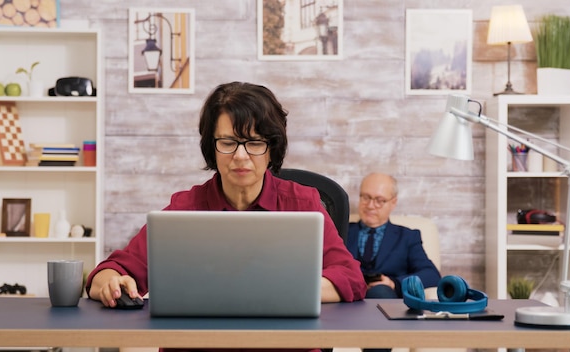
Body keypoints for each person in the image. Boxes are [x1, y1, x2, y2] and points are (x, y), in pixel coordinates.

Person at [86, 82, 366, 315]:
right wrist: (111, 283)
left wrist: (287, 291)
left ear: (272, 148)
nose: (240, 156)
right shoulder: (184, 209)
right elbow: (108, 272)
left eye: (254, 143)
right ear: (212, 147)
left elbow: (352, 278)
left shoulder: (303, 203)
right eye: (228, 143)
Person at [347, 173, 441, 299]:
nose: (370, 206)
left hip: (384, 296)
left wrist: (394, 283)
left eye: (379, 200)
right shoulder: (340, 231)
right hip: (347, 294)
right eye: (365, 197)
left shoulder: (408, 237)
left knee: (380, 291)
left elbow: (431, 275)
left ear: (393, 203)